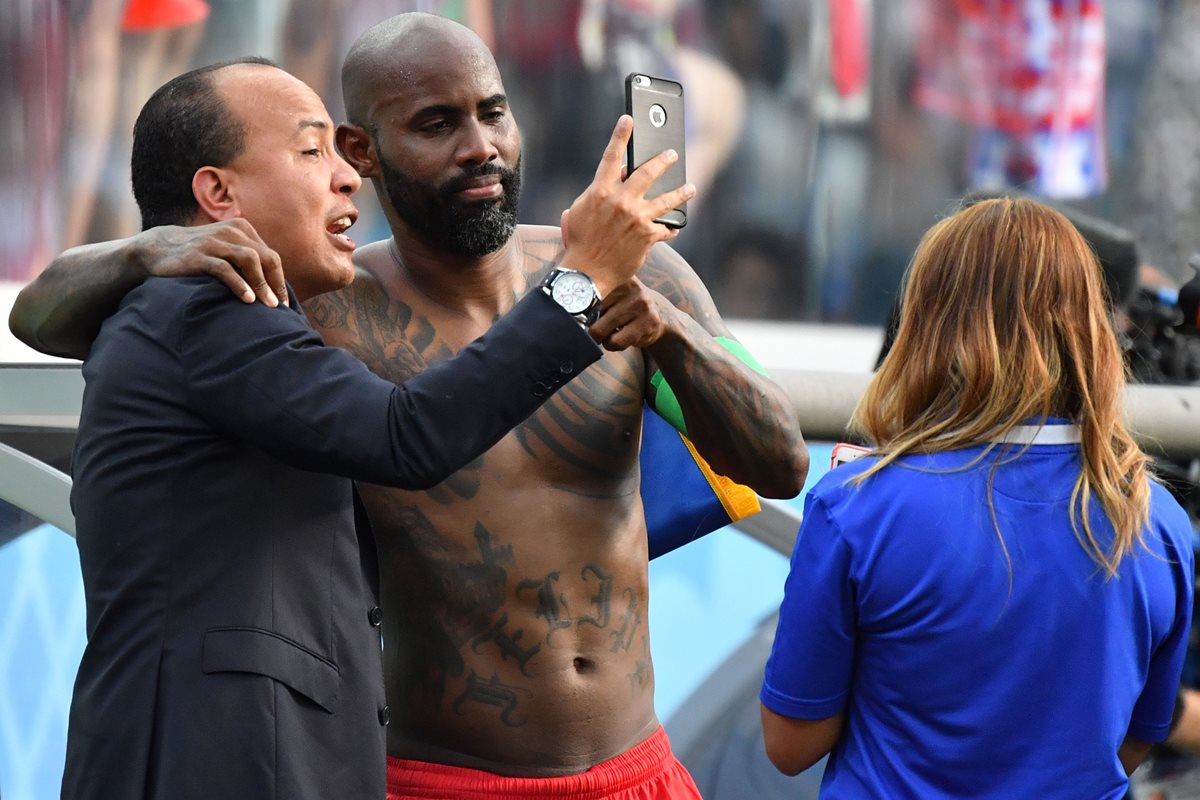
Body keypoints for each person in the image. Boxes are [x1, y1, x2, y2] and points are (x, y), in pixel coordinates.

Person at [13, 12, 809, 798]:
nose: (480, 146)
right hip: (432, 776)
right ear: (363, 151)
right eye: (437, 124)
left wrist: (671, 338)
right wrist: (144, 247)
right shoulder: (313, 309)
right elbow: (37, 317)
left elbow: (782, 463)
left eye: (493, 113)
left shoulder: (645, 282)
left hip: (638, 765)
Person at [759, 197, 1194, 798]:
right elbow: (1132, 738)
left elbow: (791, 743)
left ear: (925, 323)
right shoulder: (1160, 520)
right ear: (1091, 328)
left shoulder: (856, 508)